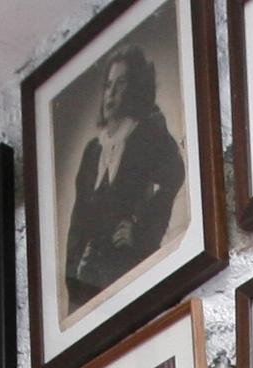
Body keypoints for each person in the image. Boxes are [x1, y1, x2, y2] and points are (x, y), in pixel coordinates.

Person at [62, 46, 186, 311]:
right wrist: (72, 278)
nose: (111, 94)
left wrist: (140, 230)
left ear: (135, 88)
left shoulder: (149, 136)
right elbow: (78, 221)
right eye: (108, 86)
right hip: (90, 283)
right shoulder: (93, 151)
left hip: (129, 272)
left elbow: (174, 177)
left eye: (121, 84)